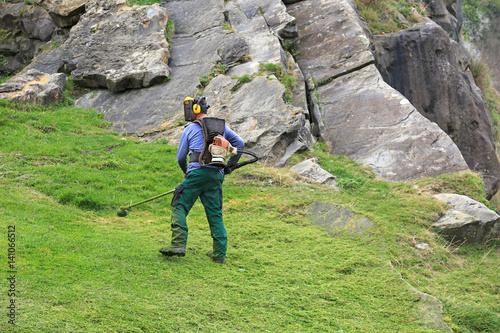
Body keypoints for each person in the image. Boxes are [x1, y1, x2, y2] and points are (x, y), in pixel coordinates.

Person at [159, 96, 244, 264]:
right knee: (215, 214)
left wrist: (188, 174)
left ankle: (178, 244)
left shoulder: (191, 128)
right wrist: (229, 167)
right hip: (215, 176)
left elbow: (180, 157)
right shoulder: (222, 126)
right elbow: (239, 143)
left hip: (197, 173)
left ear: (196, 109)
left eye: (189, 108)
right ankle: (219, 255)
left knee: (179, 204)